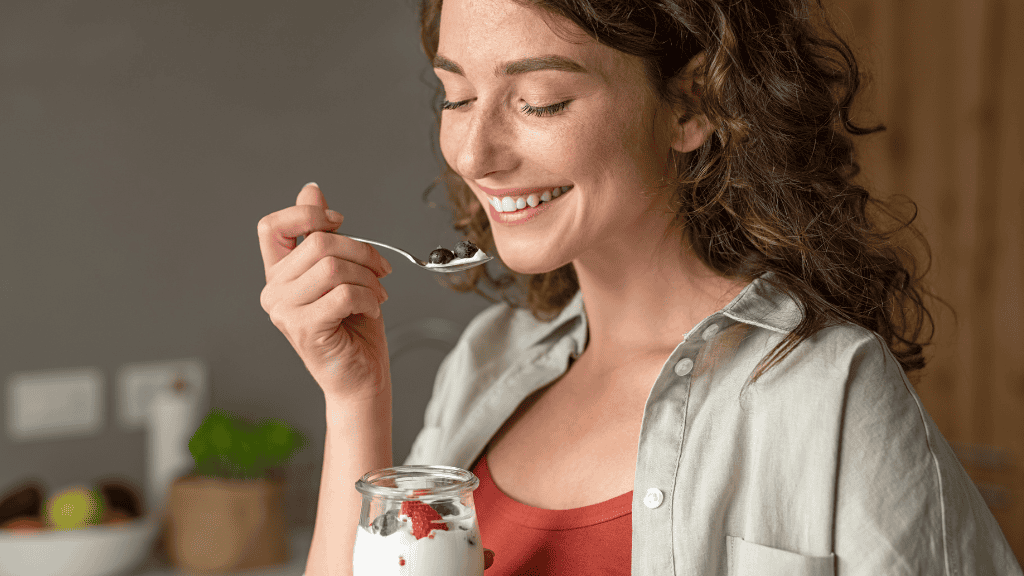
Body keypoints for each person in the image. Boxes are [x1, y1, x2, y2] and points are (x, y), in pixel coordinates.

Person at [257, 0, 1024, 573]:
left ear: (692, 105)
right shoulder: (487, 364)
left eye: (540, 101)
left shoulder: (830, 392)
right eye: (456, 96)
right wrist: (355, 397)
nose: (476, 154)